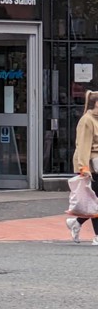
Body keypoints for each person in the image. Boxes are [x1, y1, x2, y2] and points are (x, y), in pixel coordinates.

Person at [67, 90, 98, 243]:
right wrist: (84, 168)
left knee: (95, 201)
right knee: (95, 201)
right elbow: (83, 145)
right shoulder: (87, 120)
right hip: (92, 166)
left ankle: (76, 222)